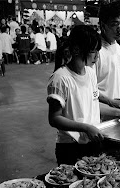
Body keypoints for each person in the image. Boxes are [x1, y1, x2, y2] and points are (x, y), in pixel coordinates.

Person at [47, 25, 103, 165]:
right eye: (93, 51)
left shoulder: (90, 72)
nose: (97, 56)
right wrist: (85, 127)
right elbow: (54, 118)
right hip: (70, 147)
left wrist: (119, 111)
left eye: (98, 51)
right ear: (77, 50)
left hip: (92, 142)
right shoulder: (60, 78)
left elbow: (92, 105)